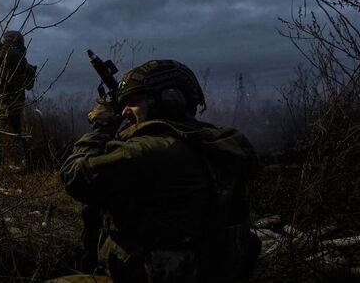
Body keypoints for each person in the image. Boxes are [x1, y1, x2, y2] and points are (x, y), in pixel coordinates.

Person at [58, 60, 260, 283]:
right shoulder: (211, 144)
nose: (124, 110)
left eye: (133, 101)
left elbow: (74, 175)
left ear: (169, 100)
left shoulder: (153, 151)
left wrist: (102, 127)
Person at [0, 30, 34, 174]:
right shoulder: (20, 55)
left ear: (11, 41)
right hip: (17, 100)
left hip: (5, 101)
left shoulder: (9, 54)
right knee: (16, 133)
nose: (3, 42)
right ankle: (27, 162)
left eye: (6, 40)